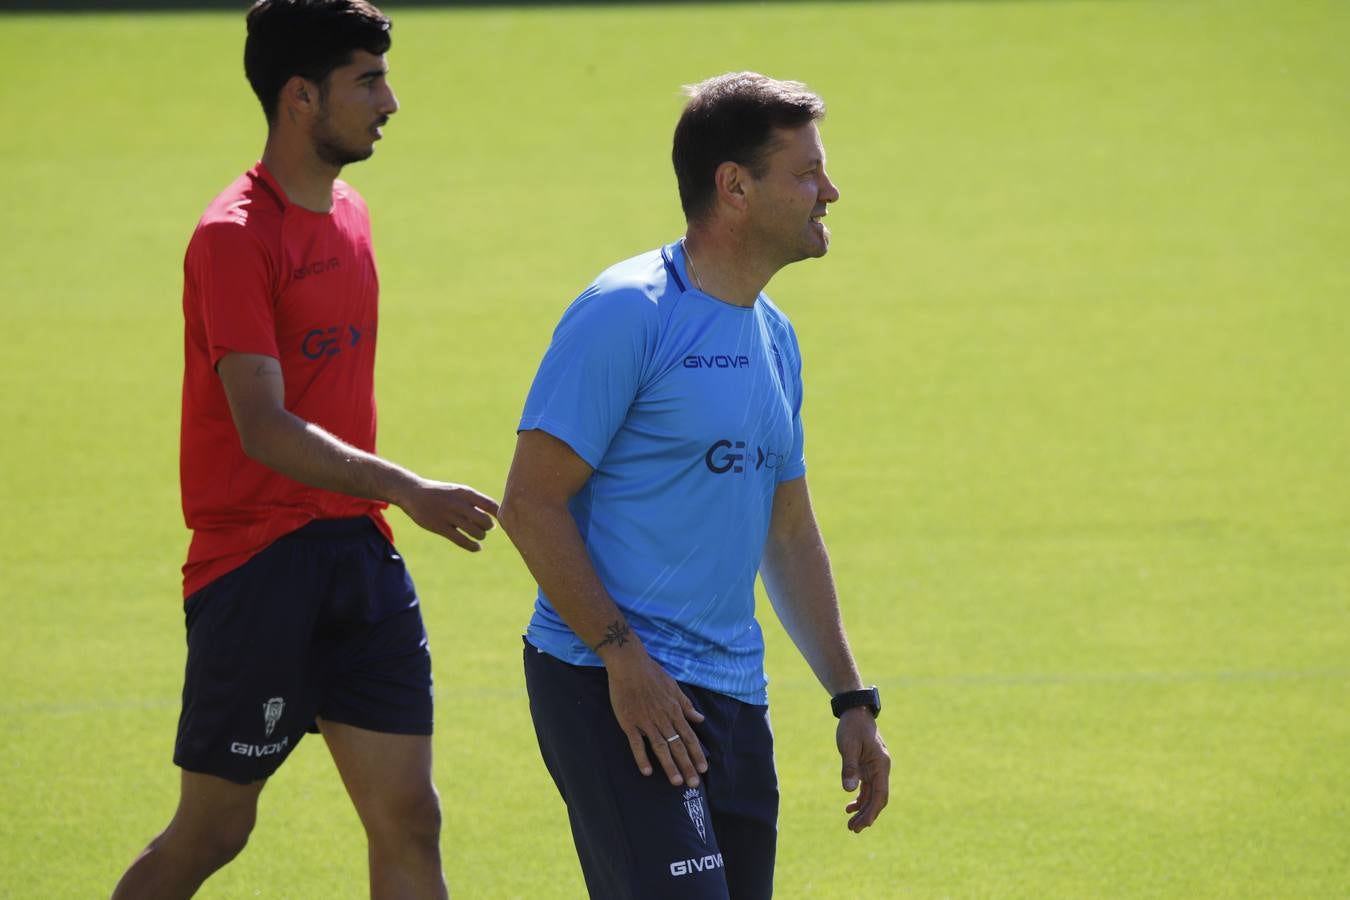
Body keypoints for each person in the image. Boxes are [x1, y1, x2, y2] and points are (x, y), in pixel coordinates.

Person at [111, 2, 498, 897]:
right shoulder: (232, 239)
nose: (390, 101)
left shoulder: (352, 212)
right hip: (256, 568)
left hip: (356, 555)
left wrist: (382, 503)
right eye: (367, 81)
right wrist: (408, 487)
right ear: (298, 97)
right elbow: (265, 427)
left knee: (411, 820)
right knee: (215, 830)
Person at [498, 72, 891, 899]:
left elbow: (786, 533)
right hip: (611, 684)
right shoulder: (626, 313)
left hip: (730, 694)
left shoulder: (775, 338)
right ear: (735, 186)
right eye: (808, 172)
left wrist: (851, 696)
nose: (832, 191)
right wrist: (624, 661)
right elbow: (530, 503)